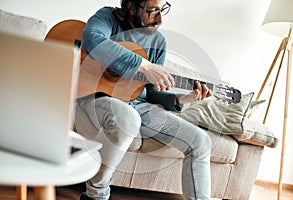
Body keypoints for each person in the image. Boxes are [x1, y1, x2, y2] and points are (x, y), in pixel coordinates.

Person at [77, 0, 212, 199]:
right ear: (132, 7)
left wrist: (182, 99)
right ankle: (96, 194)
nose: (160, 20)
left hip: (138, 105)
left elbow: (150, 92)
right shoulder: (108, 17)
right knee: (128, 118)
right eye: (152, 11)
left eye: (163, 9)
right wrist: (143, 65)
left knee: (201, 141)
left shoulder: (158, 42)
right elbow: (92, 39)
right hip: (96, 96)